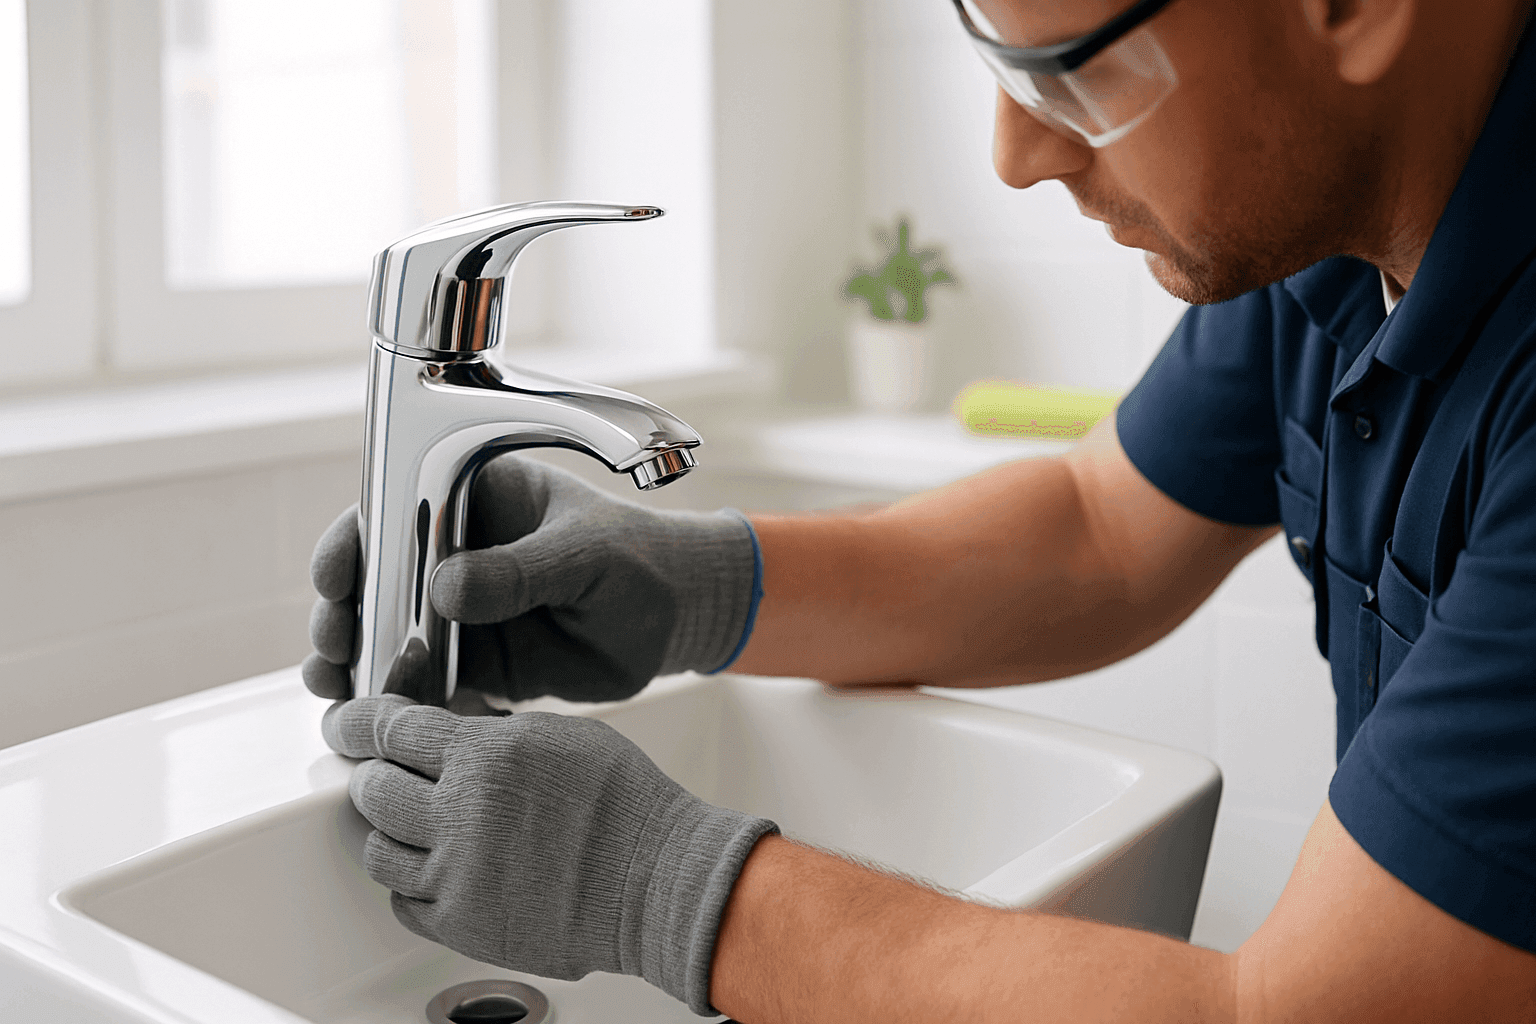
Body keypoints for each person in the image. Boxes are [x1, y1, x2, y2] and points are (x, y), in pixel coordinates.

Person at [304, 0, 1536, 1019]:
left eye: (1072, 73)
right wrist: (684, 585)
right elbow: (1100, 529)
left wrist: (656, 882)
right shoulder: (1330, 220)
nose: (1017, 152)